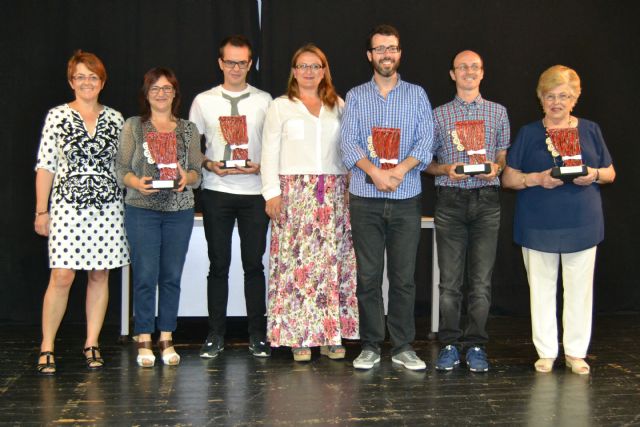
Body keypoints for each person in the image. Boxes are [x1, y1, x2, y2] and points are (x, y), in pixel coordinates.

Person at [502, 65, 615, 375]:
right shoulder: (528, 133)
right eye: (550, 96)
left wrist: (592, 174)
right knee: (540, 289)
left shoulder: (590, 130)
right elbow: (508, 179)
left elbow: (610, 173)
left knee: (580, 290)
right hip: (537, 223)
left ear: (575, 98)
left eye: (563, 95)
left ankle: (577, 353)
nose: (556, 102)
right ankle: (547, 352)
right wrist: (536, 179)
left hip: (583, 222)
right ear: (540, 98)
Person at [340, 24, 434, 371]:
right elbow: (348, 143)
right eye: (379, 49)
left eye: (391, 48)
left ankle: (403, 346)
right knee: (368, 276)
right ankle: (370, 344)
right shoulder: (355, 96)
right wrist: (376, 173)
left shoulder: (417, 94)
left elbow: (427, 142)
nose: (386, 54)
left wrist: (397, 172)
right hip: (365, 196)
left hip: (406, 196)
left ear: (400, 53)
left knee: (403, 277)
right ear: (370, 55)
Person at [261, 44, 359, 362]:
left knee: (330, 268)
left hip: (332, 193)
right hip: (294, 194)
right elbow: (268, 152)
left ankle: (331, 336)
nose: (308, 72)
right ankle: (298, 337)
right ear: (293, 71)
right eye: (302, 66)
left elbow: (348, 150)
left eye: (315, 66)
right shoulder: (280, 107)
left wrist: (349, 186)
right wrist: (271, 193)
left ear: (324, 70)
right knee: (298, 268)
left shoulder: (338, 106)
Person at [34, 50, 130, 374]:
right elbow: (45, 165)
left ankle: (92, 342)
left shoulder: (116, 119)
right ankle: (47, 345)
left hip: (108, 209)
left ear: (102, 82)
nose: (86, 82)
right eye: (80, 76)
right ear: (71, 81)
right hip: (67, 209)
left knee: (99, 274)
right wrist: (40, 211)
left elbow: (124, 166)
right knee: (62, 275)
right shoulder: (57, 116)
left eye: (93, 77)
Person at [189, 35, 272, 359]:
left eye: (242, 62)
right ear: (220, 63)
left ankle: (257, 334)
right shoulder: (203, 101)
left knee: (254, 266)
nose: (236, 68)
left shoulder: (266, 101)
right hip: (216, 191)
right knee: (218, 265)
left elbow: (276, 147)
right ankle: (215, 334)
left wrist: (261, 167)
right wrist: (209, 164)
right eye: (230, 62)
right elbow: (192, 149)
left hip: (254, 193)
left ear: (250, 64)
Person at [427, 50, 510, 372]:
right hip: (450, 200)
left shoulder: (498, 112)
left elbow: (502, 158)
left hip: (487, 201)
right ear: (452, 74)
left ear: (482, 72)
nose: (469, 71)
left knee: (480, 282)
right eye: (462, 67)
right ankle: (449, 343)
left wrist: (496, 168)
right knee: (449, 282)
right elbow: (428, 165)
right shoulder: (438, 114)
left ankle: (475, 344)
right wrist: (447, 169)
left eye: (475, 66)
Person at [116, 67, 204, 367]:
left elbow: (196, 173)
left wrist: (185, 177)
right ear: (146, 94)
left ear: (175, 93)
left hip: (179, 210)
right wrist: (137, 182)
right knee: (144, 276)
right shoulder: (133, 127)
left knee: (171, 277)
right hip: (141, 210)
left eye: (167, 88)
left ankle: (166, 336)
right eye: (155, 88)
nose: (162, 93)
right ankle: (143, 337)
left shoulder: (188, 130)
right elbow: (121, 170)